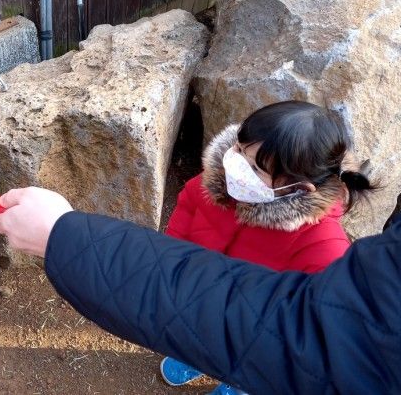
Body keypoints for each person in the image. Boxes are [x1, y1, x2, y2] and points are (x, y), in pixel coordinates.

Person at [154, 101, 373, 393]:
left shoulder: (322, 242)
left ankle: (237, 385)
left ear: (298, 188)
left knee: (246, 362)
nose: (237, 165)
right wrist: (173, 257)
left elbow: (323, 313)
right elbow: (187, 208)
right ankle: (196, 358)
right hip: (200, 295)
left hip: (253, 327)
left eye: (255, 167)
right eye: (240, 149)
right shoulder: (220, 181)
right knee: (197, 333)